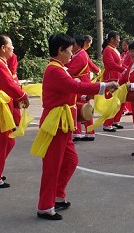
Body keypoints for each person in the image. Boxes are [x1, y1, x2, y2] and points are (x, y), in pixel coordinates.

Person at [33, 34, 117, 220]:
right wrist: (104, 86)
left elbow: (71, 91)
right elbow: (74, 87)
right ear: (60, 51)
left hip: (63, 123)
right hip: (55, 123)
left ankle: (57, 196)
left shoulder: (59, 68)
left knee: (70, 160)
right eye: (70, 51)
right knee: (52, 166)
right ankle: (45, 206)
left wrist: (87, 95)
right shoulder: (54, 70)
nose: (71, 54)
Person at [0, 35, 29, 188]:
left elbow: (10, 84)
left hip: (2, 108)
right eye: (11, 45)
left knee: (8, 141)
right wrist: (23, 96)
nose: (13, 48)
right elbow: (9, 84)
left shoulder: (1, 63)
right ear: (3, 48)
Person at [68, 35, 100, 142]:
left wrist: (62, 70)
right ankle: (79, 132)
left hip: (81, 83)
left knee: (83, 107)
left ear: (79, 44)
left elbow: (72, 70)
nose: (72, 45)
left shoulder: (80, 55)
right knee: (78, 106)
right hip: (81, 82)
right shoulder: (80, 53)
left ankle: (87, 132)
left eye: (74, 44)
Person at [102, 31, 126, 132]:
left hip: (118, 77)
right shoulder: (107, 50)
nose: (119, 41)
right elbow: (111, 64)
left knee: (120, 101)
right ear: (112, 39)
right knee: (112, 102)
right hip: (111, 78)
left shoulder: (113, 49)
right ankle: (107, 124)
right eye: (118, 39)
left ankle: (115, 120)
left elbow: (120, 63)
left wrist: (127, 69)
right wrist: (123, 70)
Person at [121, 38, 133, 116]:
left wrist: (122, 66)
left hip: (129, 73)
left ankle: (130, 109)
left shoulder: (130, 54)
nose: (123, 47)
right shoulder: (122, 54)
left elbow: (130, 65)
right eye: (122, 45)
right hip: (123, 74)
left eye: (125, 45)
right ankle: (124, 108)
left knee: (128, 92)